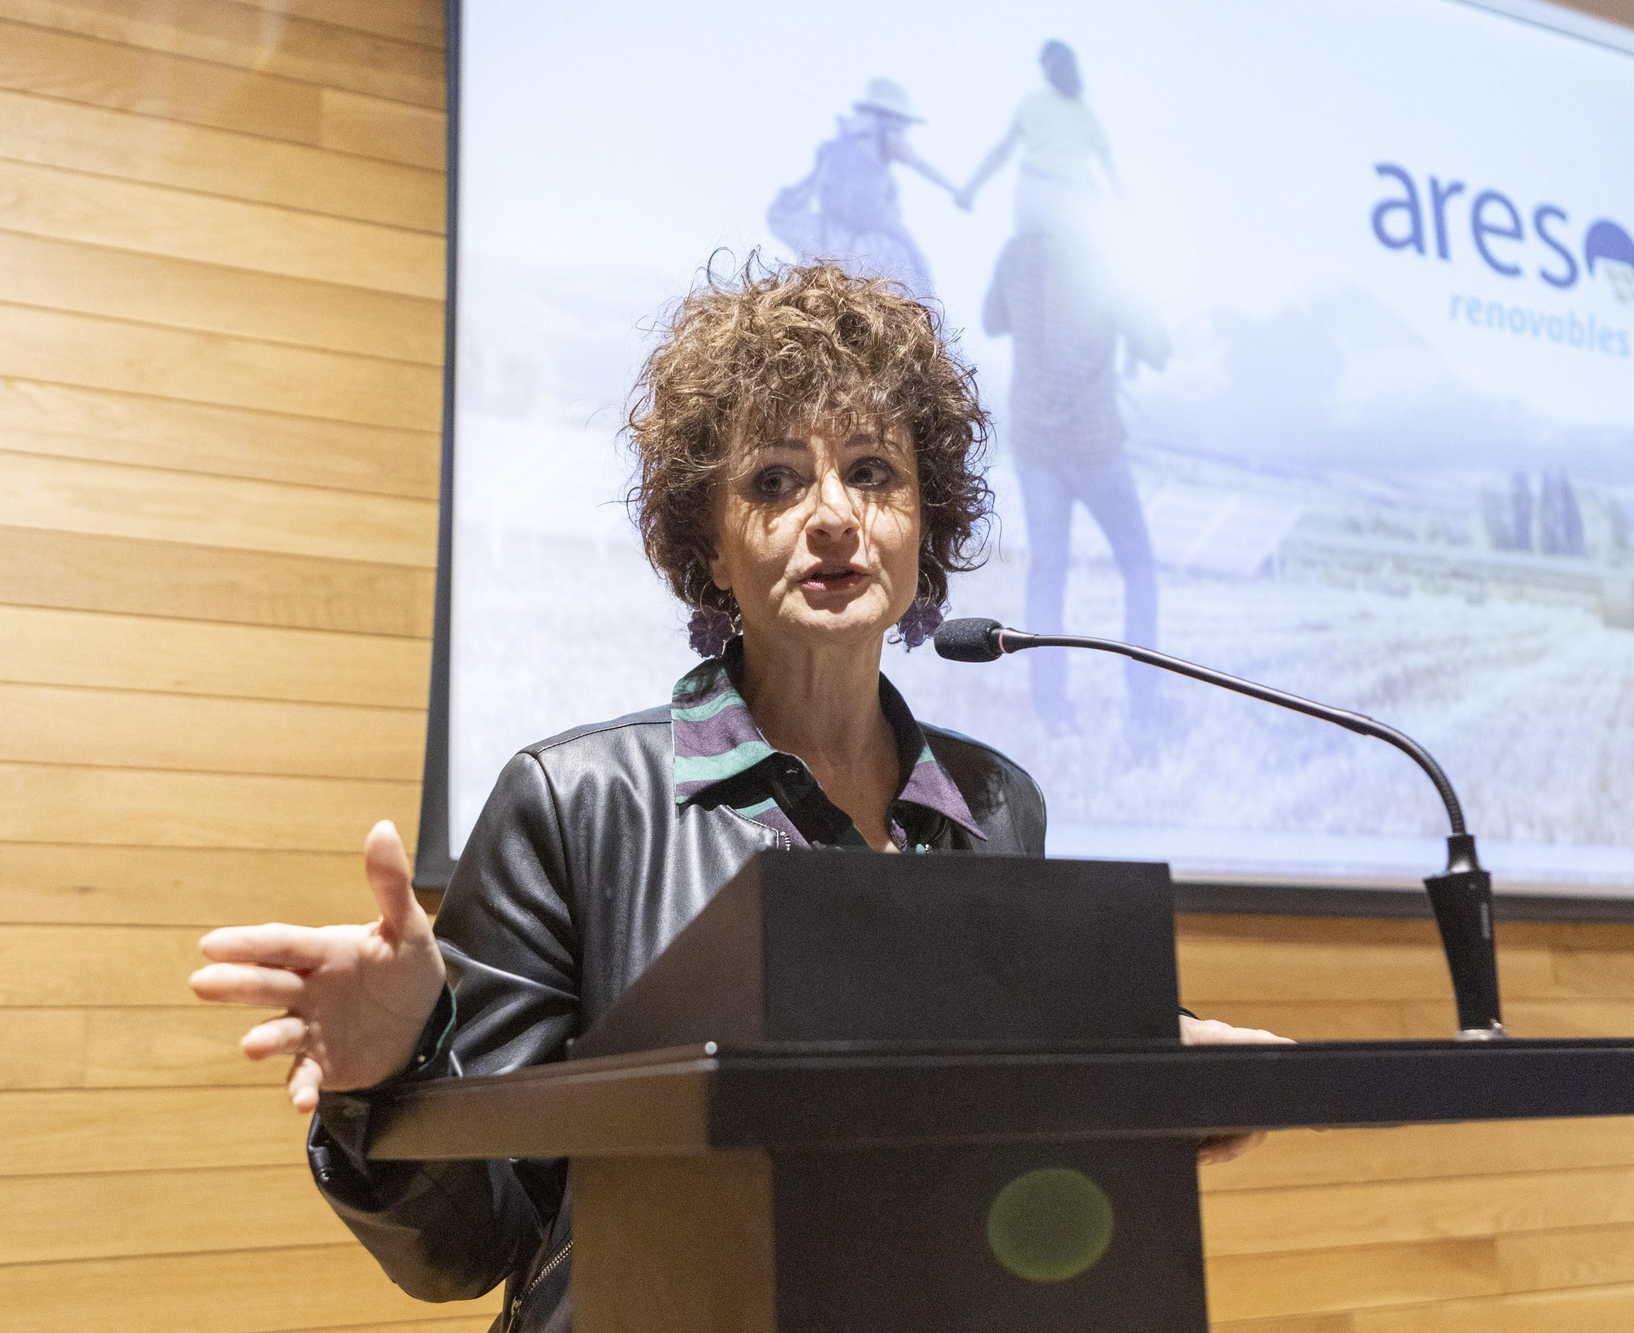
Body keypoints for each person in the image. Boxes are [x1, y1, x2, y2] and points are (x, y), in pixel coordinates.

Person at [188, 262, 1279, 1333]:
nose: (833, 516)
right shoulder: (575, 807)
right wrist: (398, 1070)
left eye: (871, 472)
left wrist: (1147, 1065)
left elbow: (1004, 1112)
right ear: (707, 546)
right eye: (772, 482)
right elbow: (477, 1247)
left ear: (923, 521)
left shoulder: (995, 805)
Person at [984, 224, 1169, 736]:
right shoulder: (1101, 256)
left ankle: (1052, 710)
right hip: (1093, 443)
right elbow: (1156, 348)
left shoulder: (1018, 249)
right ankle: (1144, 702)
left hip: (1036, 443)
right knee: (1139, 567)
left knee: (1047, 573)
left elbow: (991, 320)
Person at [767, 78, 956, 301]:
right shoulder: (883, 135)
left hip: (847, 232)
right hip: (867, 225)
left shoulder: (849, 137)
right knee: (916, 269)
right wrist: (955, 190)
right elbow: (919, 164)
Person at [956, 40, 1118, 241]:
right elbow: (1110, 168)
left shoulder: (1032, 102)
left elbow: (1001, 153)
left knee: (1029, 258)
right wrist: (1124, 204)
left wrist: (972, 187)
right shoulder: (1088, 116)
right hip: (1068, 198)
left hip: (1030, 193)